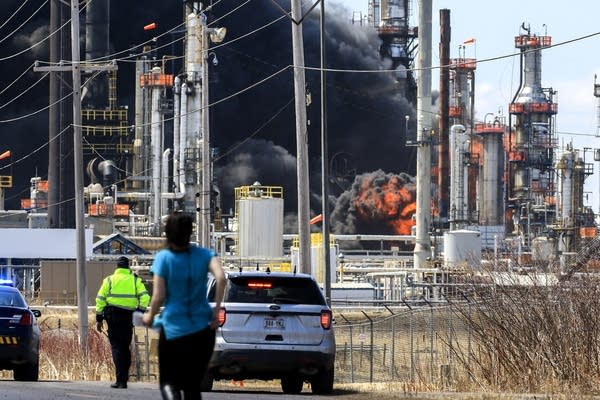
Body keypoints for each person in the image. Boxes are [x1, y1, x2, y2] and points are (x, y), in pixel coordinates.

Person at [142, 212, 226, 400]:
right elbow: (221, 278)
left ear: (168, 233)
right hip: (203, 330)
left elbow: (158, 296)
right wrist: (216, 312)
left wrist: (149, 315)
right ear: (190, 232)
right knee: (192, 385)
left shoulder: (163, 258)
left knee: (169, 383)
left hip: (174, 328)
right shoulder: (204, 255)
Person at [95, 256, 150, 389]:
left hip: (113, 317)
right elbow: (145, 297)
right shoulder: (135, 280)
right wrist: (140, 311)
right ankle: (123, 380)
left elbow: (100, 299)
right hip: (128, 317)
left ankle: (120, 380)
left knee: (117, 347)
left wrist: (99, 318)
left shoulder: (109, 280)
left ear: (117, 267)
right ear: (128, 267)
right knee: (125, 347)